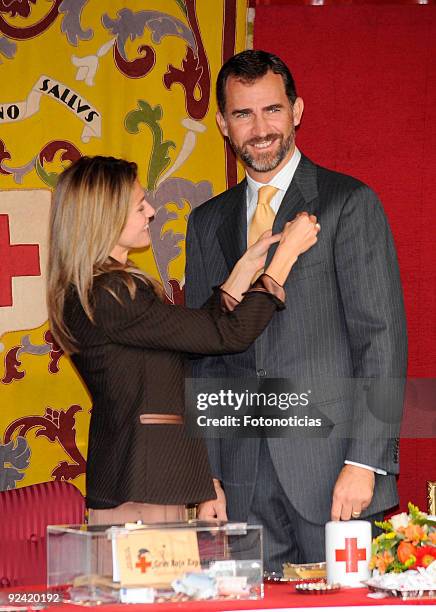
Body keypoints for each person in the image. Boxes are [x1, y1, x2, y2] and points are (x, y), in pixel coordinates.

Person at [185, 50, 407, 570]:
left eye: (272, 110)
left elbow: (383, 342)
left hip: (334, 475)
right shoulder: (206, 223)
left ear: (297, 111)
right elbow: (202, 357)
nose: (260, 129)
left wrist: (364, 461)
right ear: (222, 123)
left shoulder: (348, 203)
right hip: (239, 483)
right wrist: (207, 475)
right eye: (243, 114)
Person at [46, 155, 319, 525]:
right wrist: (283, 260)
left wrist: (243, 270)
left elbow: (193, 335)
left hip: (141, 481)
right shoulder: (113, 293)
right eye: (138, 205)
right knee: (155, 585)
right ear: (103, 216)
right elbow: (228, 335)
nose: (151, 211)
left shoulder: (98, 290)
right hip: (144, 485)